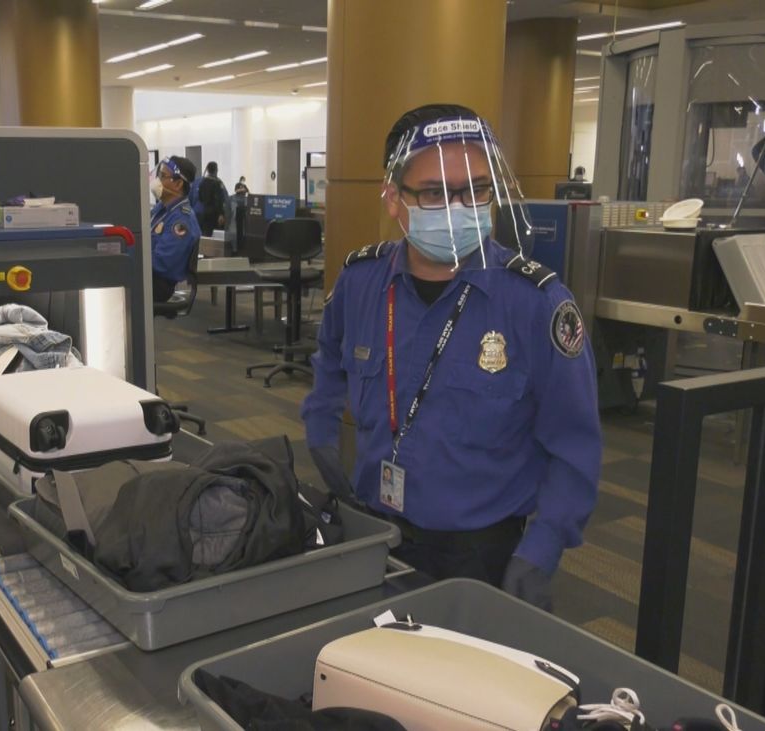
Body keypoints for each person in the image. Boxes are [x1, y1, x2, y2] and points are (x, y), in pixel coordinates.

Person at [301, 104, 601, 611]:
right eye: (436, 193)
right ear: (394, 198)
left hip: (483, 552)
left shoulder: (535, 302)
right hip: (373, 530)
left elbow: (575, 442)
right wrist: (321, 434)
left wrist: (544, 546)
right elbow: (329, 364)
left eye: (476, 190)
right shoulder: (360, 283)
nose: (459, 207)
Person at [149, 156, 202, 303]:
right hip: (149, 277)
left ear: (178, 183)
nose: (157, 180)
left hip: (159, 284)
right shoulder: (162, 210)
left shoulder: (181, 221)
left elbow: (161, 263)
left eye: (163, 176)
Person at [194, 161, 228, 236]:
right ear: (216, 170)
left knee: (206, 235)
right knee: (216, 236)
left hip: (205, 212)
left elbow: (200, 198)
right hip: (215, 214)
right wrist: (221, 214)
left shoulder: (202, 182)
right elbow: (220, 200)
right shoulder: (217, 183)